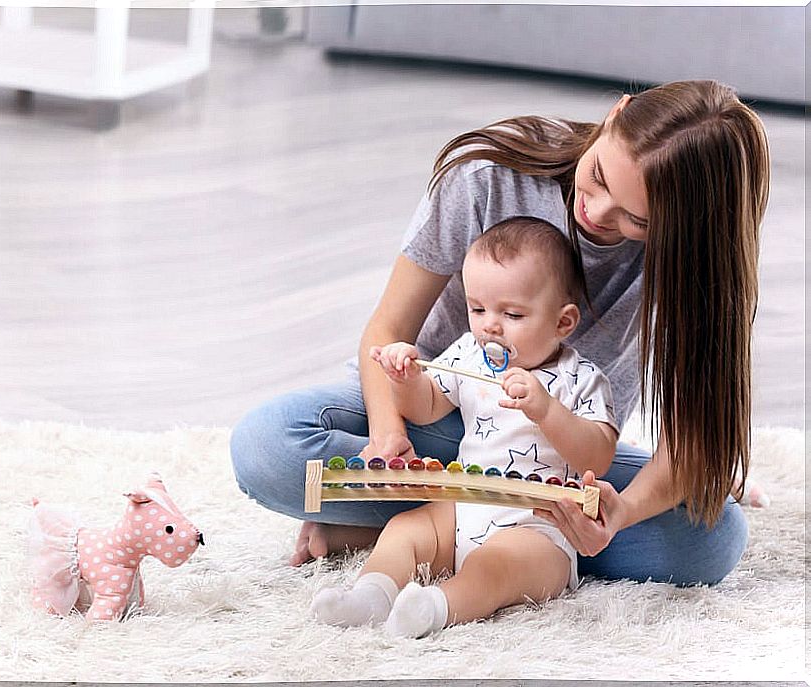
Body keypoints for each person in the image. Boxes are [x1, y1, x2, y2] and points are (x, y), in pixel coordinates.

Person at [230, 79, 770, 585]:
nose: (598, 213)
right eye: (600, 177)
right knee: (267, 444)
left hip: (553, 454)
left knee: (712, 536)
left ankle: (421, 530)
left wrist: (620, 511)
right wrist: (387, 436)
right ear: (615, 114)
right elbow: (388, 329)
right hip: (436, 414)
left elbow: (694, 444)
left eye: (639, 221)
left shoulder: (695, 265)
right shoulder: (489, 178)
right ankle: (473, 529)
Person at [311, 217, 618, 637]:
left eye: (512, 313)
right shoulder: (470, 354)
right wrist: (407, 381)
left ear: (562, 323)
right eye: (478, 309)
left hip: (538, 529)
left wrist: (547, 410)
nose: (490, 325)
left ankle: (438, 607)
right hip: (463, 511)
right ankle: (371, 595)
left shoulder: (581, 378)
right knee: (406, 530)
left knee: (493, 566)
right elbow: (428, 406)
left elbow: (598, 456)